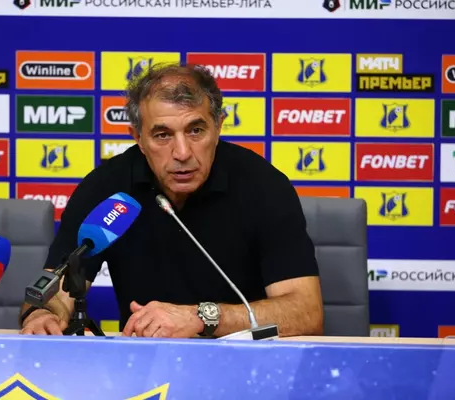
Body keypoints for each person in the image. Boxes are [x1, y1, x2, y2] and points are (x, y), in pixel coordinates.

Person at [19, 63, 324, 339]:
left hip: (247, 361)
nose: (182, 153)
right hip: (142, 361)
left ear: (218, 126)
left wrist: (201, 318)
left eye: (196, 131)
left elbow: (306, 313)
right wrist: (43, 315)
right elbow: (54, 292)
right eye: (162, 135)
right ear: (138, 137)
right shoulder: (107, 188)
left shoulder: (263, 185)